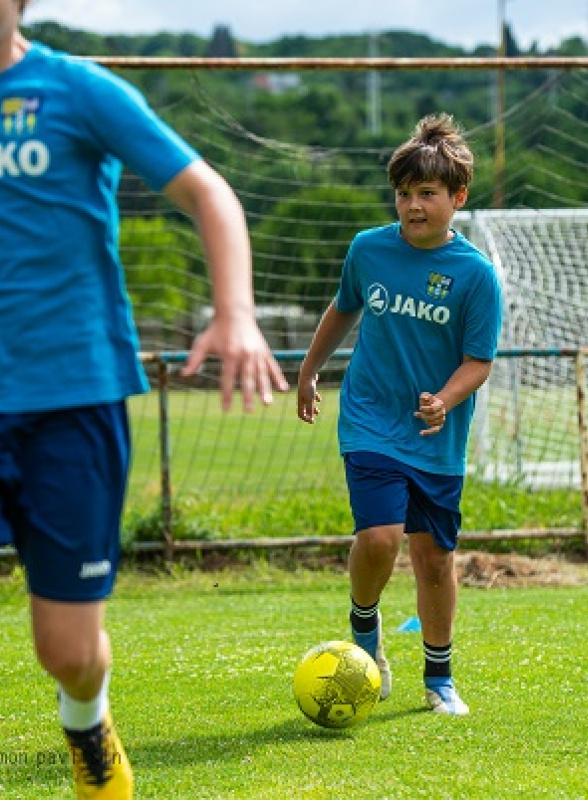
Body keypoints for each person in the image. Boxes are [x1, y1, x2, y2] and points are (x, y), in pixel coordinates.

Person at [0, 3, 288, 798]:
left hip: (70, 399)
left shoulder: (77, 90)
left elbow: (209, 192)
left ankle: (86, 718)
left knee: (69, 648)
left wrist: (234, 313)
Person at [297, 113, 503, 716]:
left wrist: (445, 398)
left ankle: (439, 680)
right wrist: (310, 371)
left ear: (457, 197)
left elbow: (479, 361)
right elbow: (343, 310)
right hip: (368, 418)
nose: (413, 206)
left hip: (435, 435)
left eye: (427, 194)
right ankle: (365, 634)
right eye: (404, 194)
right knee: (380, 535)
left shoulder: (477, 276)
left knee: (433, 557)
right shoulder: (368, 250)